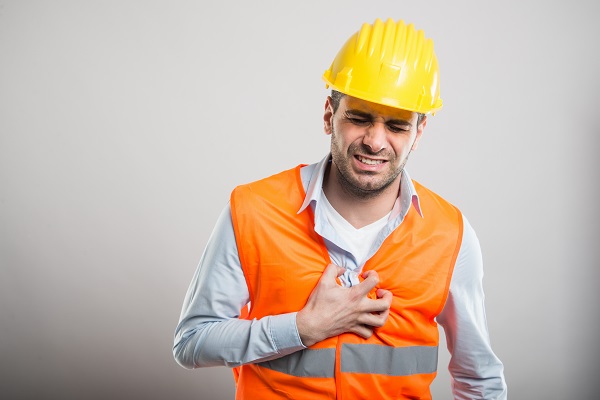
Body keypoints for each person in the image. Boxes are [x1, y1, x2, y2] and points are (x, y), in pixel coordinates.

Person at [173, 18, 507, 399]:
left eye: (397, 126)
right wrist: (302, 328)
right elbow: (191, 341)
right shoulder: (253, 210)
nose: (375, 141)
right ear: (330, 115)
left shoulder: (451, 235)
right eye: (359, 117)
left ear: (419, 133)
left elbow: (479, 379)